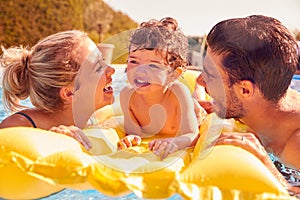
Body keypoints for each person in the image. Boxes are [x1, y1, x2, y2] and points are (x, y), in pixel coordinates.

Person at [195, 14, 300, 185]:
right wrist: (221, 105)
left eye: (210, 75)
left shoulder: (295, 145)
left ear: (245, 89)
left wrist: (269, 168)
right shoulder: (264, 99)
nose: (200, 80)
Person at [0, 30, 115, 150]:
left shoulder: (95, 119)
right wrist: (51, 141)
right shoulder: (16, 128)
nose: (111, 70)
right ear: (69, 93)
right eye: (98, 68)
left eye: (103, 60)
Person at [118, 17, 206, 159]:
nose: (140, 71)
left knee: (198, 101)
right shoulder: (126, 96)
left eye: (153, 65)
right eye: (134, 61)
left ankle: (199, 85)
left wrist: (175, 142)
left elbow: (192, 135)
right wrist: (132, 138)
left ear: (173, 74)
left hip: (194, 112)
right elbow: (134, 133)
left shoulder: (178, 93)